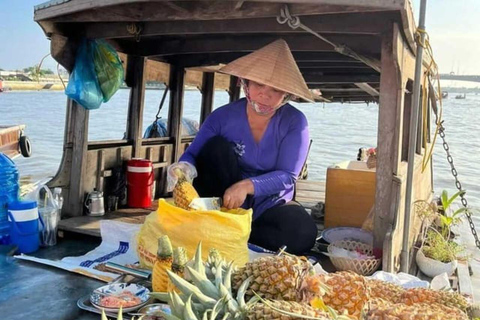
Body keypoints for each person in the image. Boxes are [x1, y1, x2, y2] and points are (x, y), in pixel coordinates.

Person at [168, 39, 317, 254]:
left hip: (269, 202)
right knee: (216, 147)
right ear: (244, 83)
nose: (265, 95)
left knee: (303, 233)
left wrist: (246, 186)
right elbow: (193, 154)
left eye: (276, 89)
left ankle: (228, 231)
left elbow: (287, 176)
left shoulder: (295, 122)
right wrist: (182, 169)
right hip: (225, 199)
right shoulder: (222, 116)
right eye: (258, 85)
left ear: (287, 94)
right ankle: (222, 224)